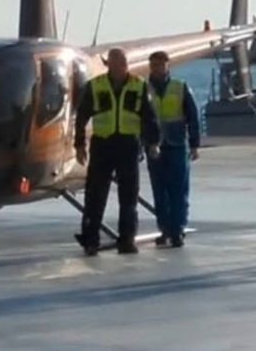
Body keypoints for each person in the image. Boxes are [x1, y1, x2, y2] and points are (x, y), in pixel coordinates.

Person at [74, 48, 161, 256]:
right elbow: (82, 117)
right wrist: (79, 145)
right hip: (102, 145)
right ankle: (90, 239)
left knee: (128, 196)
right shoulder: (95, 86)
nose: (121, 68)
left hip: (128, 145)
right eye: (116, 64)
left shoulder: (138, 86)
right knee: (95, 196)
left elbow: (149, 117)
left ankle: (127, 239)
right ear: (109, 65)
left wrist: (153, 142)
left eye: (123, 63)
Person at [147, 50, 201, 248]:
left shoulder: (180, 87)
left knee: (178, 190)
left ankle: (177, 230)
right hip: (154, 147)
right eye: (154, 65)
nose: (158, 68)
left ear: (168, 65)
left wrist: (194, 144)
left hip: (177, 144)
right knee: (159, 191)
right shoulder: (144, 90)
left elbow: (192, 116)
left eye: (161, 64)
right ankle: (164, 229)